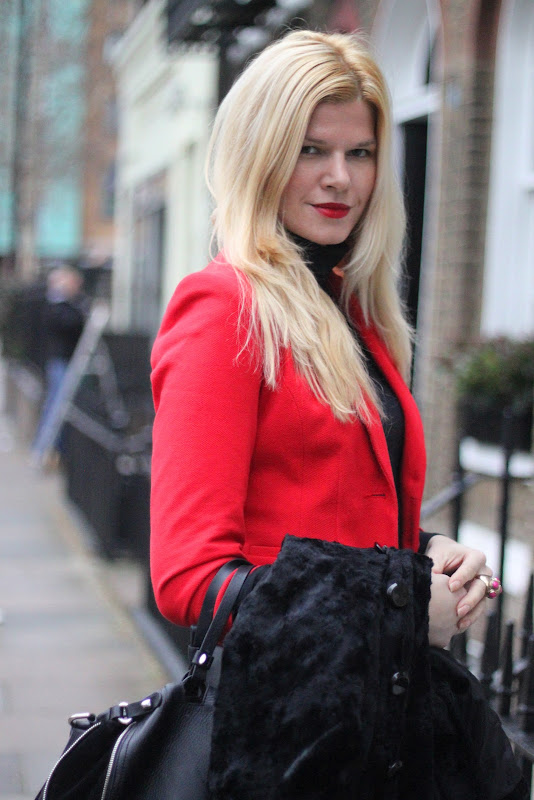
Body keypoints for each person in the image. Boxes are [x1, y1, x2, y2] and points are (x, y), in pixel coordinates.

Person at [150, 29, 515, 796]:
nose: (340, 178)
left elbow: (341, 518)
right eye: (311, 150)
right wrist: (398, 605)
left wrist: (431, 556)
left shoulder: (356, 314)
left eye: (360, 153)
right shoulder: (225, 308)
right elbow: (190, 577)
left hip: (380, 727)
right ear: (261, 155)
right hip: (281, 739)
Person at [32, 264, 88, 462]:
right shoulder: (56, 306)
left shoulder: (65, 305)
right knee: (56, 405)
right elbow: (69, 324)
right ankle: (43, 449)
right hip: (61, 362)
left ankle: (51, 449)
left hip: (64, 361)